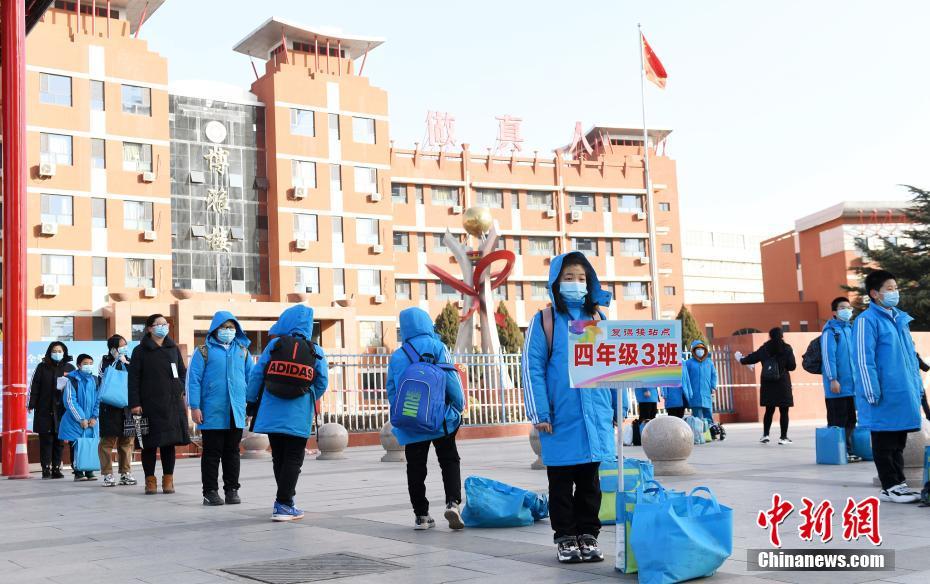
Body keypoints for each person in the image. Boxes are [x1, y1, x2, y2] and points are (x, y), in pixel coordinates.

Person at [522, 251, 615, 564]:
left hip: (594, 419)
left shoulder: (599, 320)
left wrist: (617, 409)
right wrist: (540, 413)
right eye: (568, 278)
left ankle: (588, 535)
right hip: (560, 417)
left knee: (590, 483)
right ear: (555, 282)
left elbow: (616, 369)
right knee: (561, 484)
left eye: (581, 278)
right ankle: (565, 537)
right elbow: (532, 368)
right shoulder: (545, 320)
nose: (576, 283)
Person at [246, 304, 328, 521]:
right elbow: (322, 382)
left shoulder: (274, 345)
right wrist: (307, 395)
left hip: (272, 412)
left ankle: (284, 501)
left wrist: (250, 400)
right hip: (298, 413)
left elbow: (257, 375)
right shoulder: (315, 350)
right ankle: (283, 504)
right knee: (294, 458)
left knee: (279, 457)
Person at [386, 307, 465, 531]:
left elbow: (392, 389)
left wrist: (403, 413)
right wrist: (458, 407)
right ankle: (453, 503)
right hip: (440, 419)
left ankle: (421, 515)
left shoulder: (398, 355)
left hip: (412, 418)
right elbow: (451, 379)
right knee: (449, 459)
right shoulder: (437, 347)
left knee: (416, 467)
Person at [853, 270, 923, 503]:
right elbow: (863, 359)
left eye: (896, 288)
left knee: (898, 441)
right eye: (889, 289)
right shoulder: (866, 321)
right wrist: (870, 390)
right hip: (882, 393)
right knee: (884, 441)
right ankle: (890, 484)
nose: (895, 293)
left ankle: (898, 483)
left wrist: (917, 387)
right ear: (874, 294)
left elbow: (910, 357)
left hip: (903, 392)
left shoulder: (900, 319)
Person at [187, 311, 253, 506]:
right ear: (215, 329)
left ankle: (232, 490)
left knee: (232, 452)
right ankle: (210, 491)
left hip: (236, 410)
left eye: (232, 327)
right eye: (224, 327)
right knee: (212, 453)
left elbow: (251, 379)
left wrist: (249, 407)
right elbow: (194, 380)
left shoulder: (243, 351)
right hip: (211, 410)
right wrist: (195, 407)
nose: (228, 331)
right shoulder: (203, 351)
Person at [129, 314, 190, 495]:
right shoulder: (140, 351)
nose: (162, 327)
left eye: (165, 324)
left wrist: (181, 388)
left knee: (168, 443)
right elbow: (133, 379)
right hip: (148, 404)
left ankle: (168, 479)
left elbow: (182, 371)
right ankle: (150, 480)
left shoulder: (173, 348)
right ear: (149, 328)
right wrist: (135, 403)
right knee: (149, 444)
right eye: (158, 324)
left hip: (172, 403)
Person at [735, 328, 796, 445]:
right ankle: (783, 437)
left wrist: (741, 359)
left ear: (770, 336)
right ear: (782, 336)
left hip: (768, 384)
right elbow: (792, 366)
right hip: (782, 383)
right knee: (784, 411)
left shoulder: (765, 348)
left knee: (769, 411)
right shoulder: (787, 348)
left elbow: (752, 358)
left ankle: (765, 435)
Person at [821, 297, 860, 463]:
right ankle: (839, 451)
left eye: (849, 307)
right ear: (834, 312)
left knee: (851, 419)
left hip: (852, 386)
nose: (847, 310)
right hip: (836, 386)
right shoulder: (830, 332)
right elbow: (828, 357)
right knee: (838, 421)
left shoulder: (850, 330)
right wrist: (832, 379)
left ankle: (848, 450)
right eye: (843, 307)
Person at [28, 342, 74, 479]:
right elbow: (34, 385)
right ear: (49, 352)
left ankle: (56, 468)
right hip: (45, 408)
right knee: (46, 440)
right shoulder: (42, 367)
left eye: (60, 350)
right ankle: (46, 468)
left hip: (62, 409)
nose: (57, 353)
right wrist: (31, 403)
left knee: (59, 441)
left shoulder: (69, 367)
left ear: (64, 352)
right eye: (54, 350)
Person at [98, 335, 137, 487]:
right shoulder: (105, 361)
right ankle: (108, 474)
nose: (124, 348)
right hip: (109, 407)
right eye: (121, 346)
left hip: (127, 408)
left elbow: (136, 379)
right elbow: (103, 378)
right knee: (107, 442)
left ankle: (125, 473)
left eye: (125, 345)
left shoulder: (131, 360)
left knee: (127, 441)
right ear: (113, 348)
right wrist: (116, 361)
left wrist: (126, 363)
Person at [58, 354, 100, 481]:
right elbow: (70, 401)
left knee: (91, 444)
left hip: (92, 421)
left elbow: (99, 399)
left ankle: (89, 470)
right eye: (85, 363)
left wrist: (95, 416)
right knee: (77, 445)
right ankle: (78, 471)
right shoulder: (72, 380)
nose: (88, 365)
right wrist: (81, 418)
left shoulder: (95, 380)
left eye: (90, 363)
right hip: (75, 420)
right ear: (79, 365)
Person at [684, 340, 718, 424]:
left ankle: (710, 432)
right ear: (693, 351)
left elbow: (714, 374)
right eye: (698, 349)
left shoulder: (709, 362)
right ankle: (698, 434)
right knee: (697, 417)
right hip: (694, 394)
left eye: (702, 349)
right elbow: (685, 377)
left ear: (705, 350)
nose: (700, 351)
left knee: (708, 414)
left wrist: (713, 386)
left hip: (706, 393)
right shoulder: (688, 363)